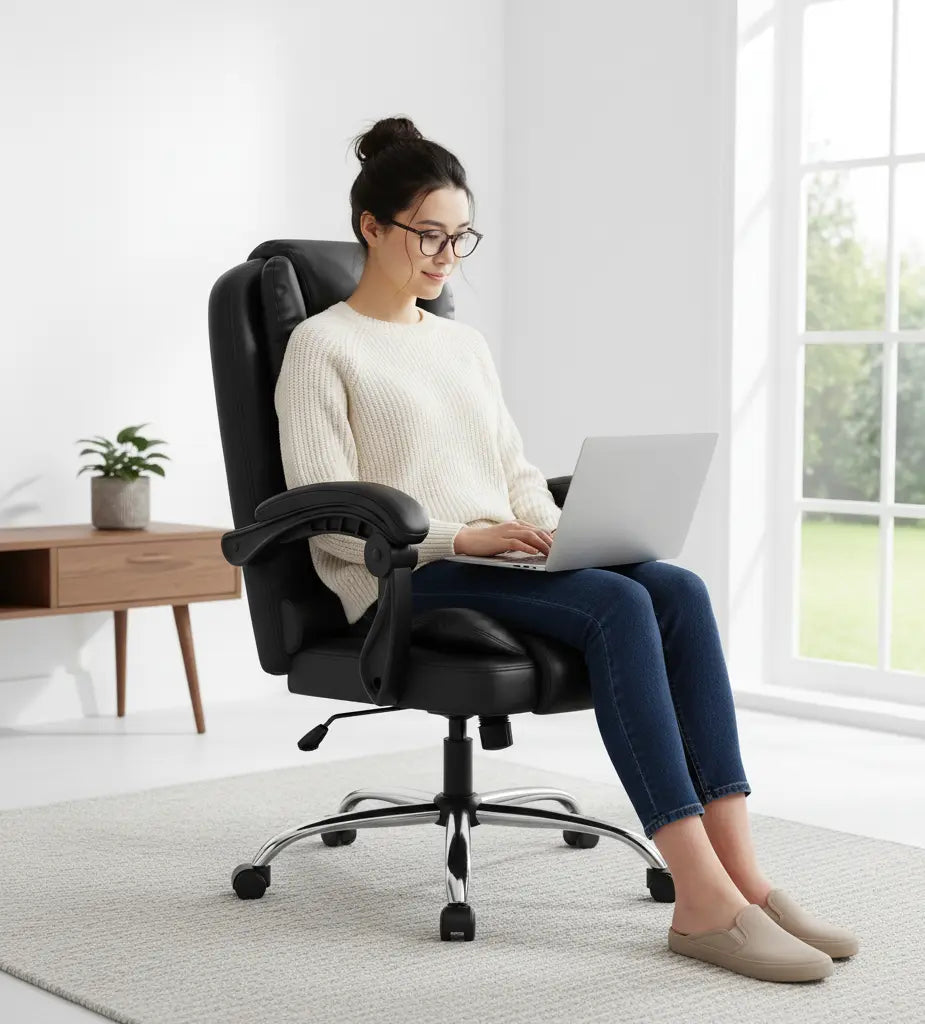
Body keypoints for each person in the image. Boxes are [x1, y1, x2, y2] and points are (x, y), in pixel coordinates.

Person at [274, 115, 857, 981]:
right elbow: (326, 519)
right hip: (406, 576)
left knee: (677, 589)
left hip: (491, 559)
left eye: (459, 237)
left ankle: (746, 877)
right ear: (370, 227)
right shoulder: (319, 347)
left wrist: (541, 532)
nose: (445, 256)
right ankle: (698, 901)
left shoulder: (460, 344)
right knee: (618, 603)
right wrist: (462, 535)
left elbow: (511, 467)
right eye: (428, 235)